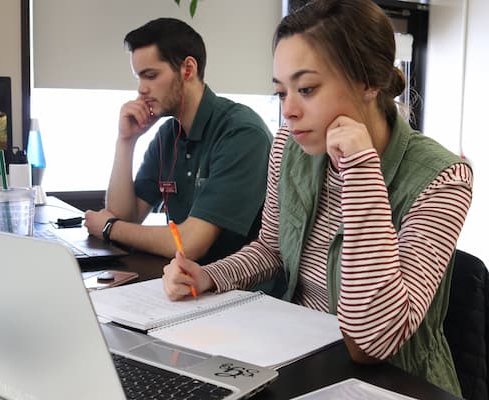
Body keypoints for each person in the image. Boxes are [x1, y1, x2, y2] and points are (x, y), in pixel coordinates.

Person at [162, 0, 473, 396]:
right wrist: (209, 275)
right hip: (302, 357)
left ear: (369, 81)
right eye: (281, 92)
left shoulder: (443, 178)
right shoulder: (287, 150)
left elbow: (374, 340)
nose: (289, 111)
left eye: (306, 89)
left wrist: (360, 170)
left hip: (394, 379)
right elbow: (272, 248)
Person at [84, 18, 273, 264]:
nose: (141, 89)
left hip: (241, 292)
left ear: (188, 69)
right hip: (186, 285)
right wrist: (126, 141)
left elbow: (191, 244)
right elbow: (125, 218)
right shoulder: (168, 135)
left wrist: (109, 228)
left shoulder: (241, 133)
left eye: (150, 75)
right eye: (138, 78)